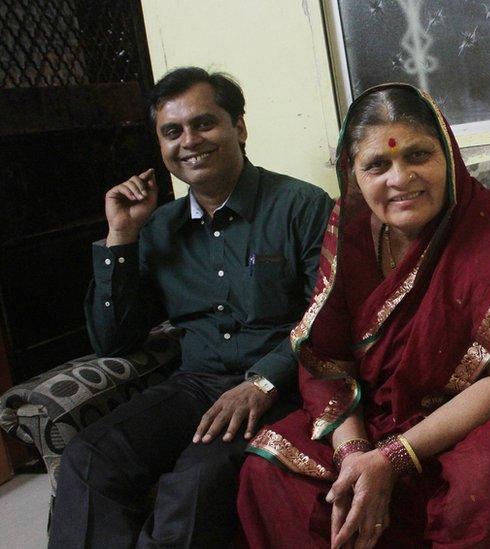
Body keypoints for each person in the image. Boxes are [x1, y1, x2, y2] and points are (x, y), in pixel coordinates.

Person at [48, 67, 332, 548]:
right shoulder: (158, 227)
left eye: (204, 124)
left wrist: (263, 382)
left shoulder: (300, 205)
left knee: (195, 484)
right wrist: (121, 237)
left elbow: (326, 315)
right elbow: (113, 341)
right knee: (89, 456)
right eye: (172, 132)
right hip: (194, 385)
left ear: (238, 128)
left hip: (280, 387)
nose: (189, 141)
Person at [236, 83, 490, 548]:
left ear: (448, 156)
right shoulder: (348, 231)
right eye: (377, 164)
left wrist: (394, 457)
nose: (401, 178)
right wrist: (354, 453)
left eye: (418, 156)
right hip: (374, 413)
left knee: (483, 485)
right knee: (269, 471)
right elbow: (327, 364)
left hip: (475, 414)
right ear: (352, 173)